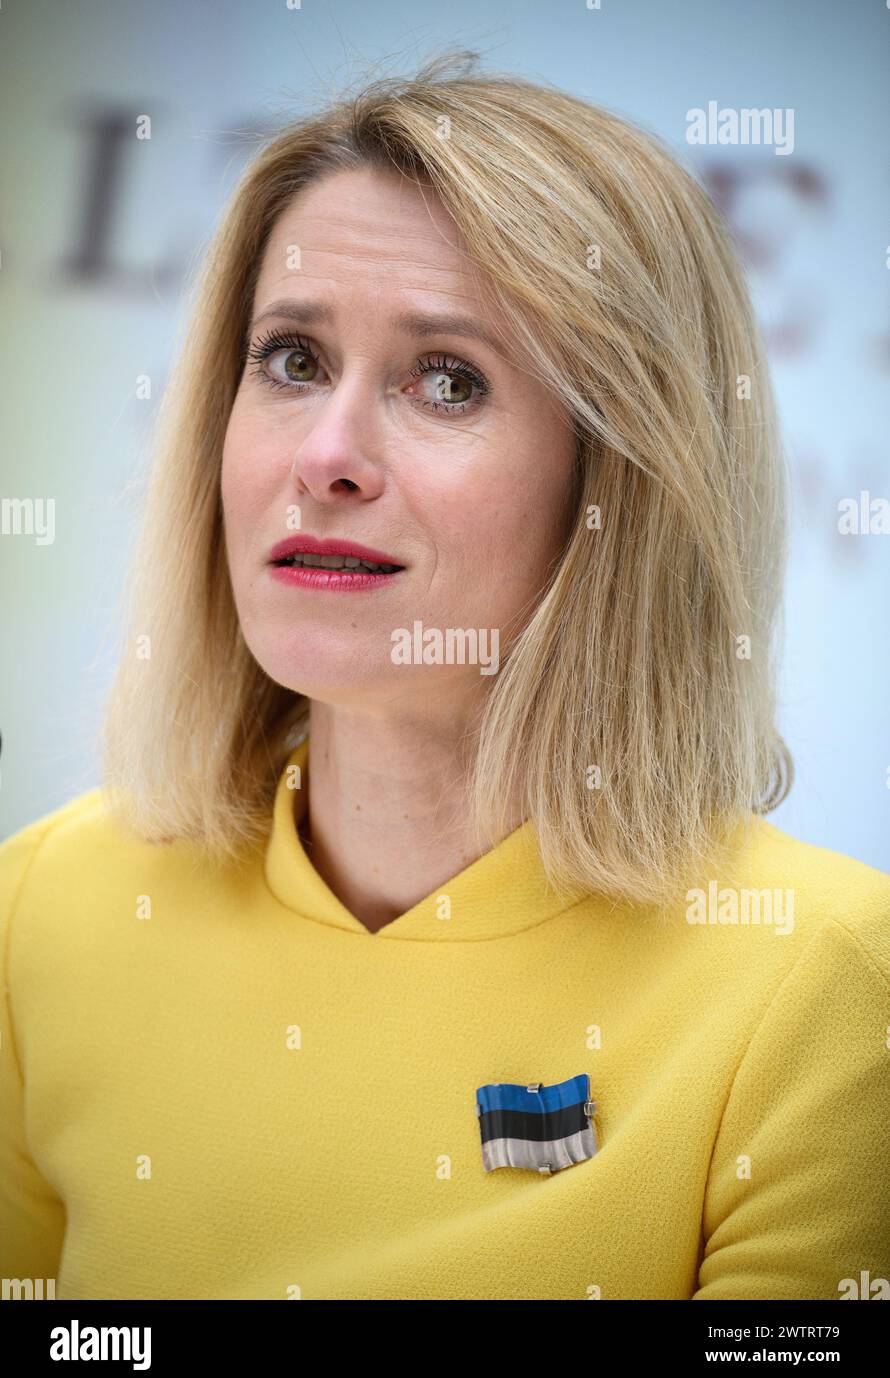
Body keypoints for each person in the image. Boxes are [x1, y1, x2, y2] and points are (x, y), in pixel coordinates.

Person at [1, 51, 888, 1302]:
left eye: (448, 381)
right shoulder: (43, 908)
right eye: (293, 360)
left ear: (614, 490)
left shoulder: (820, 983)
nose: (326, 455)